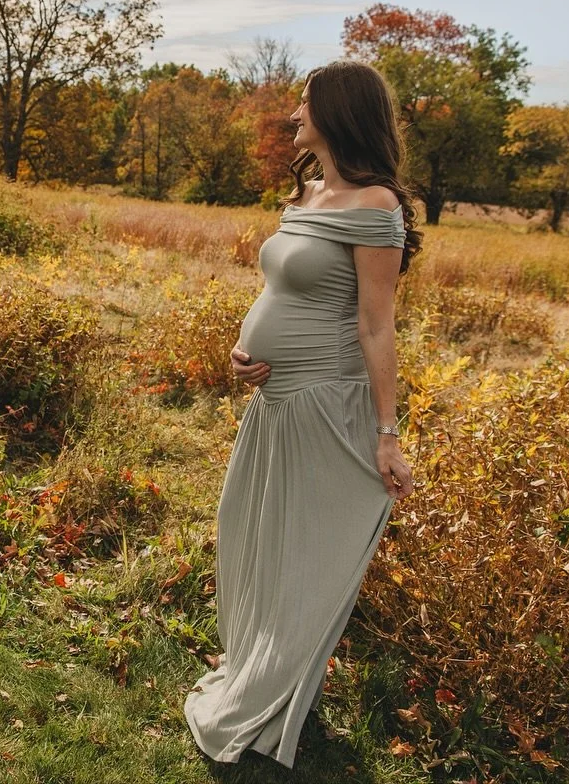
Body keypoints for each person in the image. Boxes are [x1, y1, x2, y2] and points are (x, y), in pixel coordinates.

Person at [185, 59, 422, 767]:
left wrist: (387, 433)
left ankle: (277, 693)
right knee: (249, 532)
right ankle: (254, 668)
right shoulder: (310, 193)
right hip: (274, 399)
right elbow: (287, 293)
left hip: (326, 402)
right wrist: (243, 352)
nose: (295, 109)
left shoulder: (376, 204)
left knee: (301, 555)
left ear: (339, 112)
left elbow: (377, 326)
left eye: (306, 100)